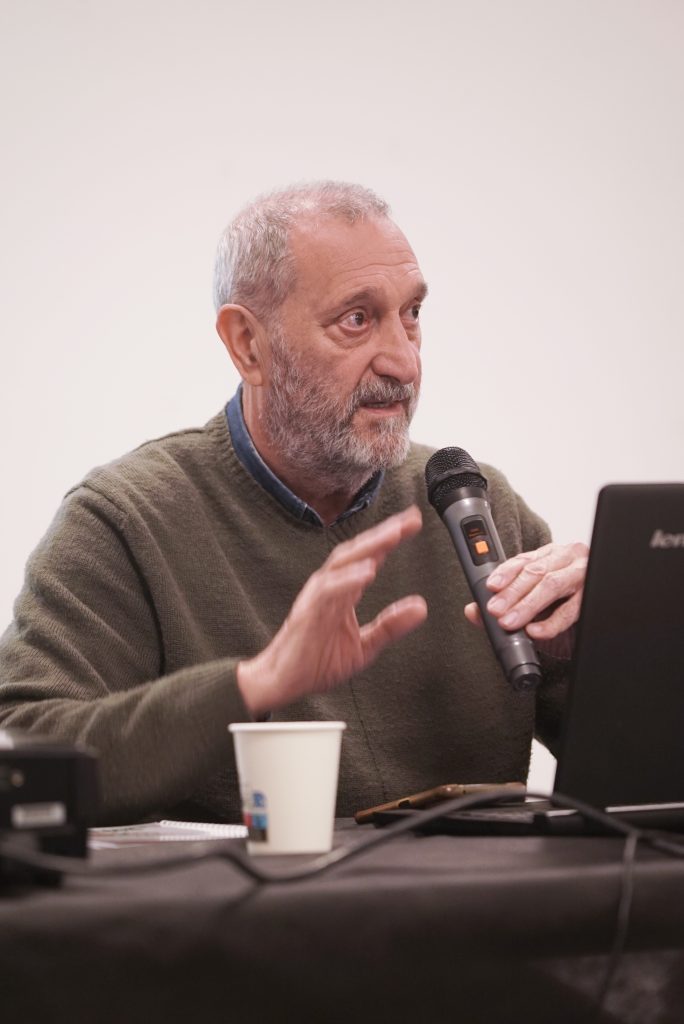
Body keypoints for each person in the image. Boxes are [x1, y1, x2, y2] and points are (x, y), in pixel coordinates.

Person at [0, 182, 587, 825]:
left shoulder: (476, 508)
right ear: (248, 345)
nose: (404, 362)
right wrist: (255, 683)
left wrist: (615, 646)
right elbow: (19, 750)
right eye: (356, 319)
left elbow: (644, 777)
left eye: (412, 314)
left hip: (479, 892)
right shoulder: (126, 521)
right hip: (241, 895)